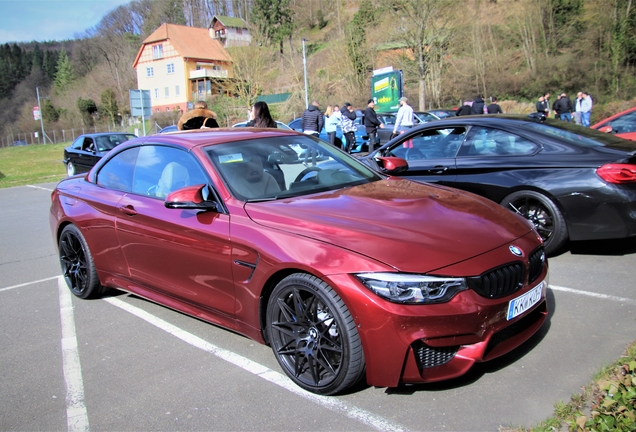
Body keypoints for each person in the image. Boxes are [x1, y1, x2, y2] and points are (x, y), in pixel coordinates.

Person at [301, 100, 323, 166]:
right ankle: (314, 163)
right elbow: (321, 122)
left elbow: (302, 122)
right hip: (314, 131)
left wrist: (304, 130)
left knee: (309, 146)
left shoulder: (305, 111)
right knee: (313, 147)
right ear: (316, 105)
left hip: (306, 131)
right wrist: (319, 130)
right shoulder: (318, 112)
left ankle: (305, 161)